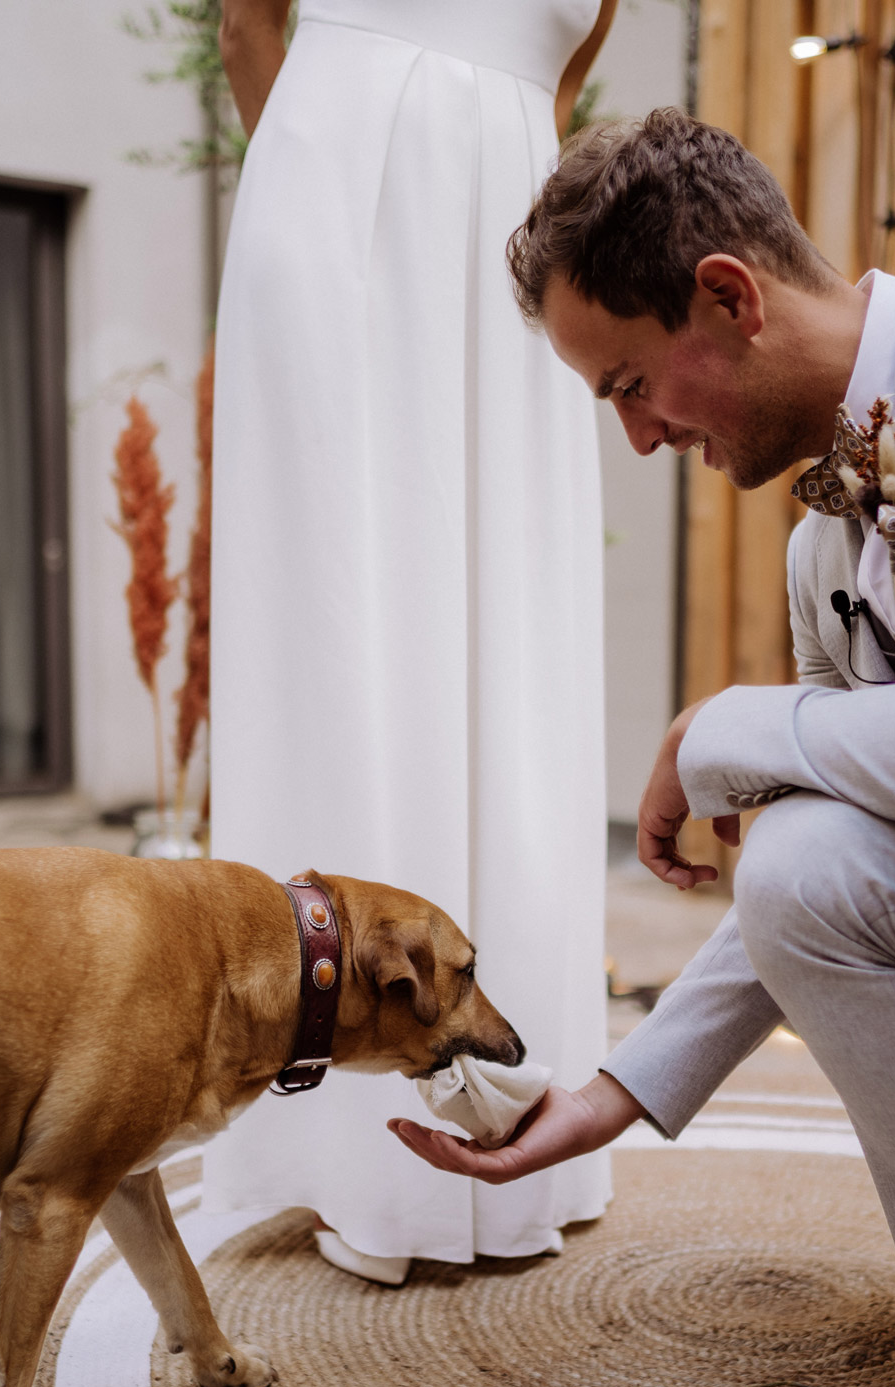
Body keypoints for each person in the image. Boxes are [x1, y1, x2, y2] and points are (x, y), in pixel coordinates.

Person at [392, 106, 895, 1387]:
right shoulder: (817, 550)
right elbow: (842, 888)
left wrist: (721, 728)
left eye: (629, 385)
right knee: (807, 858)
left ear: (728, 295)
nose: (640, 438)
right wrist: (612, 1097)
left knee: (804, 851)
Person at [205, 0, 618, 1282]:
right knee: (360, 628)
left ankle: (502, 1117)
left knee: (493, 650)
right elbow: (248, 27)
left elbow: (554, 91)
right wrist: (327, 203)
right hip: (364, 205)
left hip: (492, 228)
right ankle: (353, 1145)